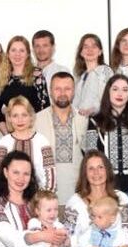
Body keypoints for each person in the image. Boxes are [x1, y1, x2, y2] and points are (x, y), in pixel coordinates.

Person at [86, 74, 128, 215]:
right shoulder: (95, 121)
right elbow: (90, 158)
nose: (120, 94)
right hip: (104, 193)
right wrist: (95, 191)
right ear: (108, 92)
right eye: (115, 89)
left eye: (125, 90)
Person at [34, 71, 88, 202]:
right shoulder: (36, 120)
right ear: (50, 91)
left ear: (74, 91)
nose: (62, 93)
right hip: (46, 198)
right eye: (57, 89)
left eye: (67, 89)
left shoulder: (84, 119)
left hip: (78, 197)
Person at [0, 96, 56, 192]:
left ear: (31, 116)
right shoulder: (3, 143)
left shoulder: (42, 141)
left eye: (24, 115)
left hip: (38, 197)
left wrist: (42, 198)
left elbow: (51, 179)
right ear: (9, 118)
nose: (20, 120)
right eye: (15, 116)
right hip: (9, 197)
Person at [0, 35, 50, 135]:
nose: (17, 54)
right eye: (13, 50)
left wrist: (29, 136)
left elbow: (44, 109)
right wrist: (9, 137)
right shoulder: (3, 78)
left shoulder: (37, 75)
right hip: (10, 135)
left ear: (27, 54)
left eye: (22, 50)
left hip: (34, 133)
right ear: (8, 53)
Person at [73, 34, 115, 117]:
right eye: (86, 47)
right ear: (81, 52)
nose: (90, 50)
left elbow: (109, 98)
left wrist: (93, 110)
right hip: (81, 121)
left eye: (94, 46)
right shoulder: (80, 76)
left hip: (99, 120)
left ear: (100, 52)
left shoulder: (105, 71)